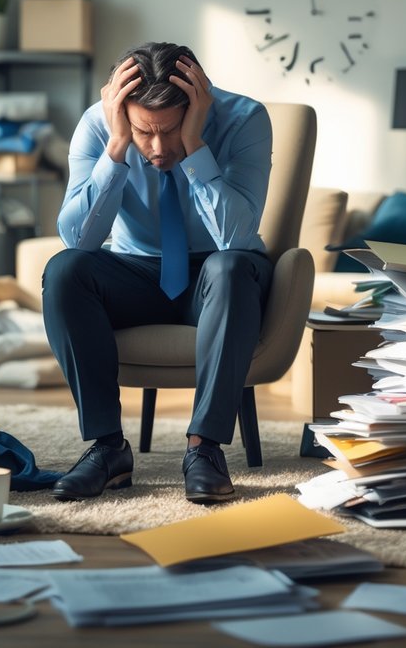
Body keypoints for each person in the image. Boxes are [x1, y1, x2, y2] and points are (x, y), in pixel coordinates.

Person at [41, 41, 273, 504]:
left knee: (228, 267)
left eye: (171, 130)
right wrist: (117, 149)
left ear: (196, 107)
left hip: (220, 275)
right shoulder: (98, 124)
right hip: (135, 271)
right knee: (65, 270)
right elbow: (79, 240)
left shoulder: (245, 120)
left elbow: (236, 236)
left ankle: (204, 450)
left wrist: (195, 147)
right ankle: (107, 448)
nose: (158, 147)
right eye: (145, 131)